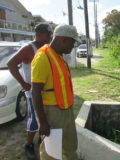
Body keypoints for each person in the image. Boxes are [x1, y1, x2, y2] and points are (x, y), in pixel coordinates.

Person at [31, 24, 81, 160]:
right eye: (72, 43)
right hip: (52, 113)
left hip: (66, 109)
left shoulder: (59, 56)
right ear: (63, 39)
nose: (72, 47)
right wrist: (42, 122)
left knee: (69, 146)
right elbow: (35, 92)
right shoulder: (43, 57)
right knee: (51, 152)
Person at [7, 23, 52, 160]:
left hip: (46, 93)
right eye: (47, 34)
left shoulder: (46, 48)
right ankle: (29, 145)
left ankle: (42, 139)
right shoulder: (29, 48)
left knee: (44, 118)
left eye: (50, 34)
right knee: (33, 120)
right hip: (33, 93)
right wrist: (24, 84)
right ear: (38, 35)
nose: (50, 36)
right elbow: (11, 63)